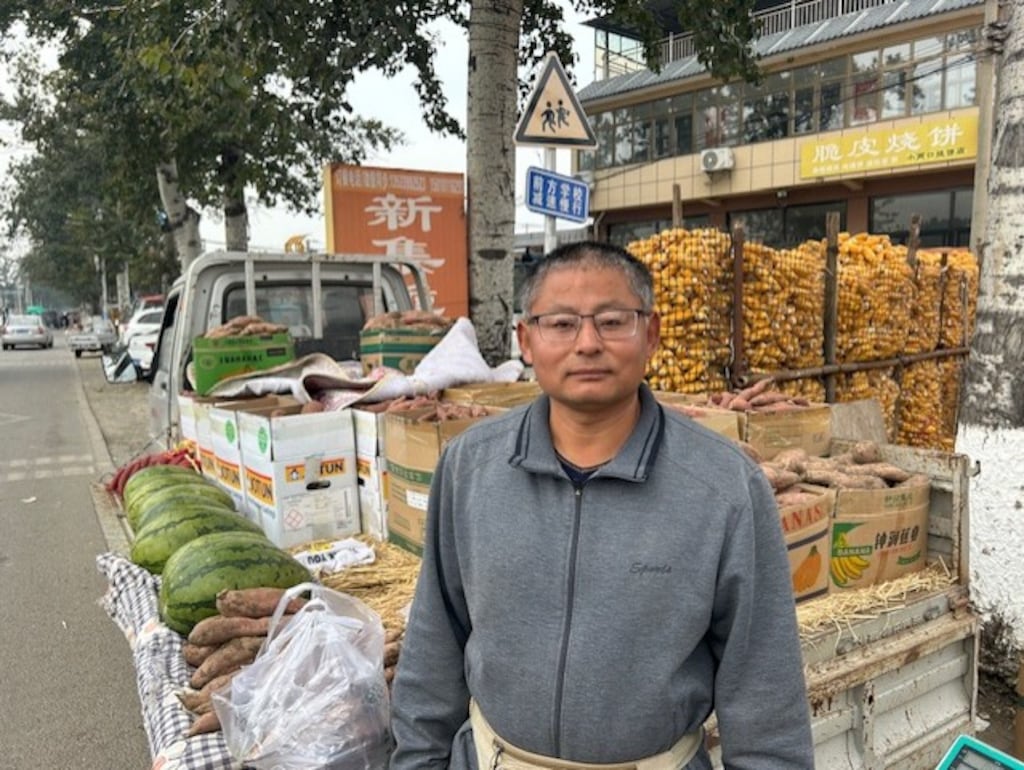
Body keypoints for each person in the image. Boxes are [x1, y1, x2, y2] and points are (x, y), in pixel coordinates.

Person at [389, 241, 814, 769]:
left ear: (651, 334)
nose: (587, 343)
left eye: (613, 321)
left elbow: (764, 694)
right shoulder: (470, 467)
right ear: (526, 340)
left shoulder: (723, 487)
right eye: (561, 323)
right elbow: (433, 647)